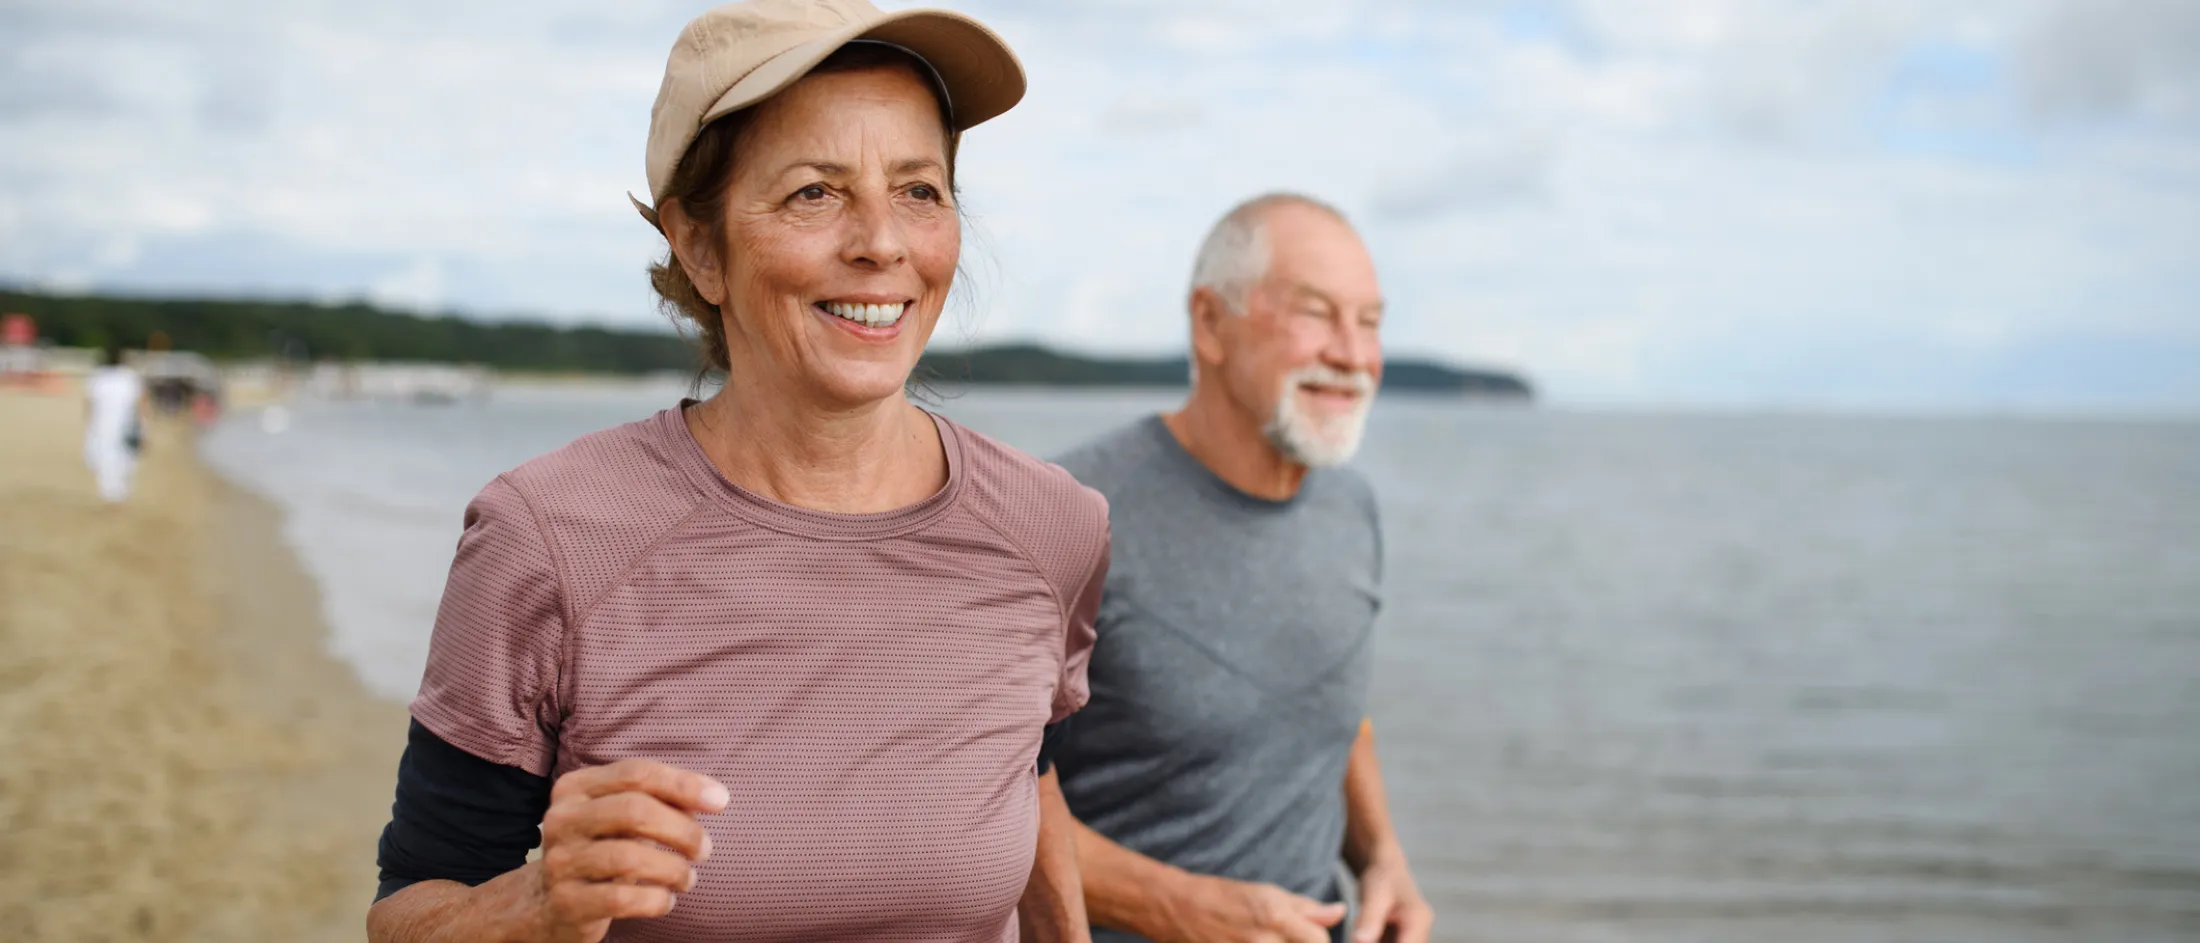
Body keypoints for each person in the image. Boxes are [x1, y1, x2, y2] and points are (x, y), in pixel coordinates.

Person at [365, 3, 1107, 941]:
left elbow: (1026, 777)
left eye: (919, 189)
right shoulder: (544, 538)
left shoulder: (1053, 527)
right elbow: (409, 912)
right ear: (701, 246)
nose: (883, 242)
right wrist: (537, 904)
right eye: (815, 192)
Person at [1048, 194, 1434, 943]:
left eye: (1372, 321)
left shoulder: (1352, 507)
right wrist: (1180, 908)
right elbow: (979, 798)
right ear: (1209, 323)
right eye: (1317, 313)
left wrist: (1384, 858)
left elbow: (1332, 711)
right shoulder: (1070, 517)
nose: (1355, 356)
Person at [82, 345, 145, 504]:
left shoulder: (98, 377)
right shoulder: (130, 377)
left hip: (102, 424)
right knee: (124, 459)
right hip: (126, 423)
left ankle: (110, 493)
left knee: (106, 458)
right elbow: (141, 403)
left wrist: (89, 423)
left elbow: (89, 403)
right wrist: (143, 425)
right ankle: (118, 494)